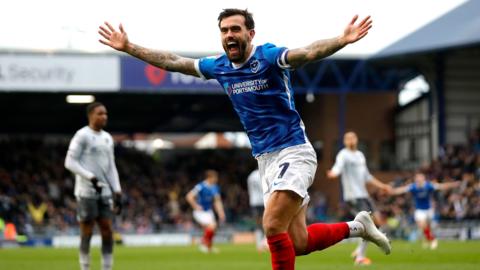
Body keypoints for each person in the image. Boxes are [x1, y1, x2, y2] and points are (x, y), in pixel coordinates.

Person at [99, 9, 390, 269]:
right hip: (265, 161)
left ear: (250, 34)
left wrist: (341, 39)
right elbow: (173, 61)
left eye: (235, 29)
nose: (229, 35)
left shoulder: (268, 56)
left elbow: (307, 52)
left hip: (293, 151)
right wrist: (128, 47)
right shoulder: (219, 66)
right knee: (298, 243)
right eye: (224, 31)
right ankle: (357, 227)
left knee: (272, 225)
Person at [65, 102, 122, 270]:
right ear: (91, 115)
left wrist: (117, 190)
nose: (104, 116)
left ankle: (107, 267)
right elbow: (69, 162)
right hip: (86, 192)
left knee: (107, 231)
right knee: (87, 232)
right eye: (100, 113)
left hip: (104, 193)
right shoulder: (82, 135)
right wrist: (91, 177)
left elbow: (111, 166)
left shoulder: (107, 138)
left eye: (105, 113)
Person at [327, 131, 392, 265]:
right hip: (353, 196)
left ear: (356, 140)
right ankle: (360, 257)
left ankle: (359, 251)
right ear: (345, 141)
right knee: (368, 224)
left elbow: (367, 176)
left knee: (375, 223)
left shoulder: (360, 156)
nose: (351, 140)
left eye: (353, 137)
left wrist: (382, 186)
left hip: (364, 195)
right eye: (348, 138)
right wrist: (333, 173)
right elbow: (337, 168)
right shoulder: (343, 154)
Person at [389, 171, 460, 249]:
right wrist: (393, 191)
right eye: (417, 178)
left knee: (427, 227)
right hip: (419, 210)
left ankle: (427, 239)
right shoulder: (413, 187)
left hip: (429, 210)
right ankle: (432, 240)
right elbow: (402, 189)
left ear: (423, 179)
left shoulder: (428, 185)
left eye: (420, 178)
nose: (418, 180)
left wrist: (453, 184)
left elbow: (441, 186)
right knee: (422, 225)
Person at [185, 170, 226, 253]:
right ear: (209, 178)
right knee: (212, 226)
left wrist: (221, 212)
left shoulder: (215, 188)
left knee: (212, 229)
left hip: (209, 211)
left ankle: (208, 247)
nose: (216, 179)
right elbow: (189, 196)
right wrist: (195, 206)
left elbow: (217, 201)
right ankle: (203, 242)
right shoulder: (200, 186)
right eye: (215, 177)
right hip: (200, 212)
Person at [247, 168, 268, 251]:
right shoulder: (263, 173)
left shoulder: (251, 175)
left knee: (258, 223)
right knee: (267, 221)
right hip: (263, 200)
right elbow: (264, 188)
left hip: (254, 201)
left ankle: (259, 244)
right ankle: (265, 242)